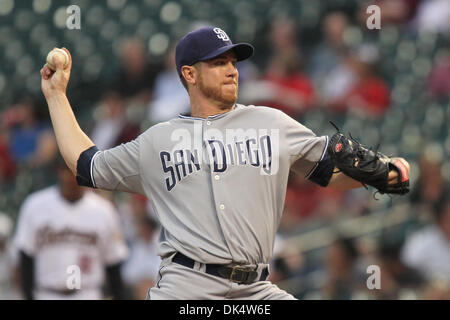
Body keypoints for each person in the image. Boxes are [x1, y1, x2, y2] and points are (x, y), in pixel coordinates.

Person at [40, 27, 410, 300]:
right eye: (219, 63)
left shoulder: (272, 122)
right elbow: (86, 165)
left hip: (258, 291)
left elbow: (331, 174)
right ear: (189, 74)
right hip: (187, 289)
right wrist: (56, 96)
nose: (232, 70)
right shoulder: (157, 140)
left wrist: (383, 176)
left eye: (233, 62)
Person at [13, 158, 128, 300]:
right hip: (46, 293)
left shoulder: (104, 210)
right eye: (67, 170)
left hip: (88, 293)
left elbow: (113, 265)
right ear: (58, 172)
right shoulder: (35, 205)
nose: (72, 176)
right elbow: (26, 258)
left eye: (76, 171)